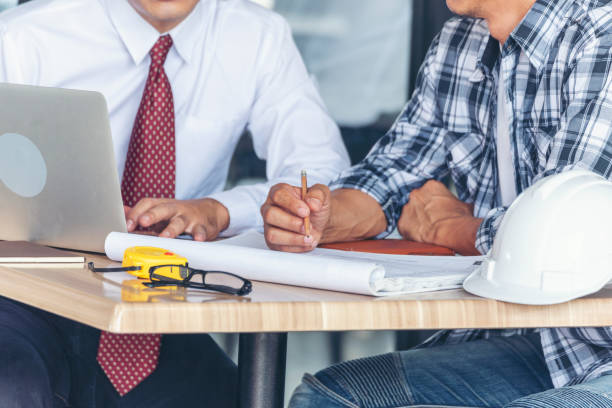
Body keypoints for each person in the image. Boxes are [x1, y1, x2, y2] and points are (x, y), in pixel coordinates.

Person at [262, 0, 612, 406]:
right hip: (535, 343)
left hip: (601, 345)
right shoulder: (459, 41)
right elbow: (392, 174)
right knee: (330, 398)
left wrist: (450, 230)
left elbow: (561, 241)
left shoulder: (601, 34)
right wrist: (320, 215)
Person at [0, 0, 349, 406]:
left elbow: (324, 173)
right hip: (30, 295)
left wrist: (218, 210)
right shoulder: (23, 35)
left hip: (158, 305)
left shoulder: (257, 36)